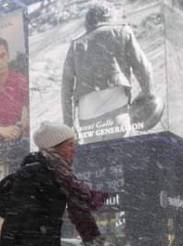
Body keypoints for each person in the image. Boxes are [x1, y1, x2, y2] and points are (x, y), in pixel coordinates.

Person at [62, 2, 154, 143]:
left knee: (98, 160)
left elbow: (66, 89)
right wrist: (147, 93)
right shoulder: (122, 32)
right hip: (117, 110)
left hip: (87, 118)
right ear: (109, 16)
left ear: (88, 21)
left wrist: (68, 124)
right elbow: (143, 67)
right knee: (121, 157)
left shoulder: (76, 45)